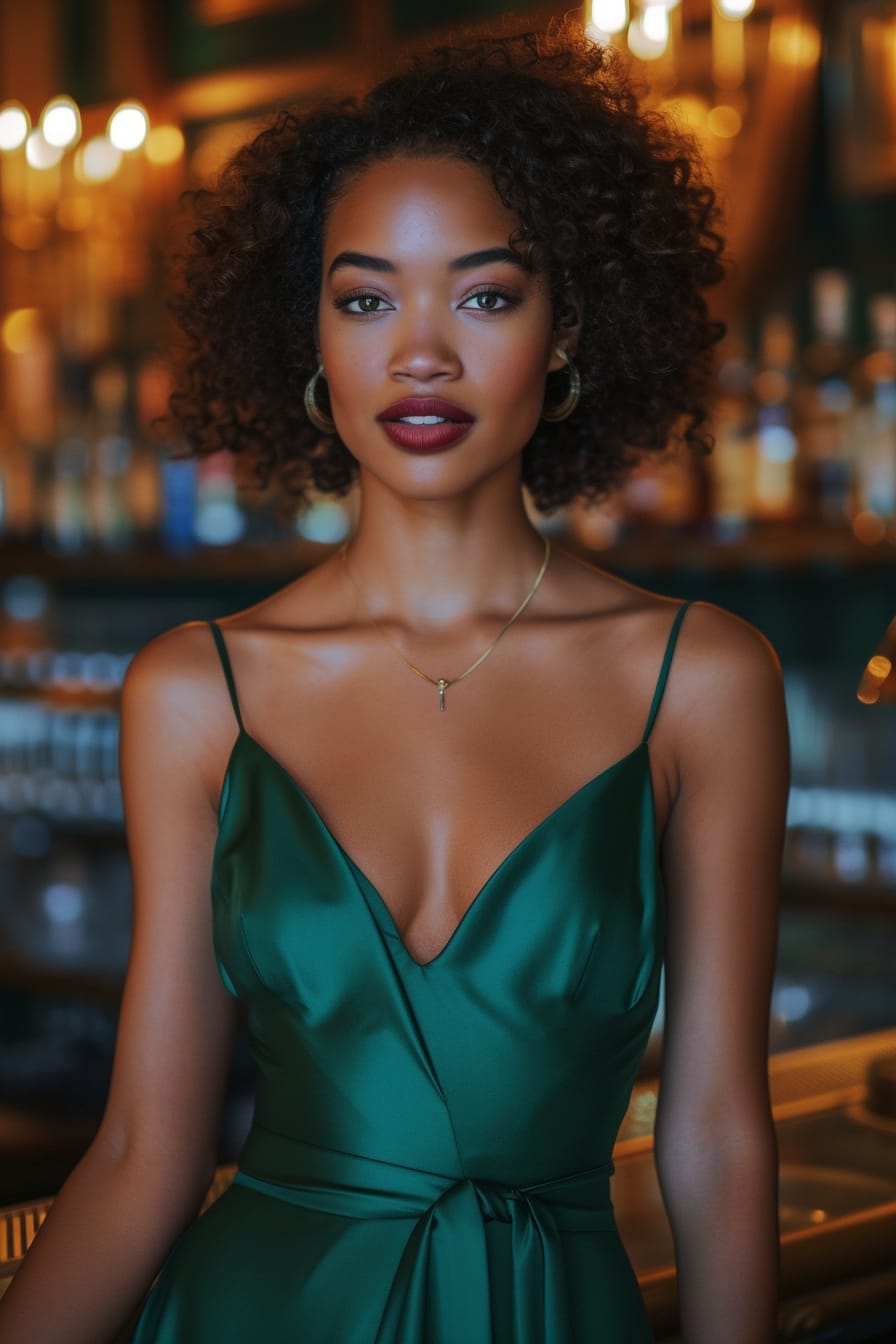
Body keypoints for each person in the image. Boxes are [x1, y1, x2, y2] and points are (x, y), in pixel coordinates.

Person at [0, 19, 789, 1344]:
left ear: (568, 323)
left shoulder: (704, 679)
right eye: (367, 299)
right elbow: (142, 1150)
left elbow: (715, 1136)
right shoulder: (196, 693)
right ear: (309, 334)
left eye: (484, 295)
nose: (421, 354)